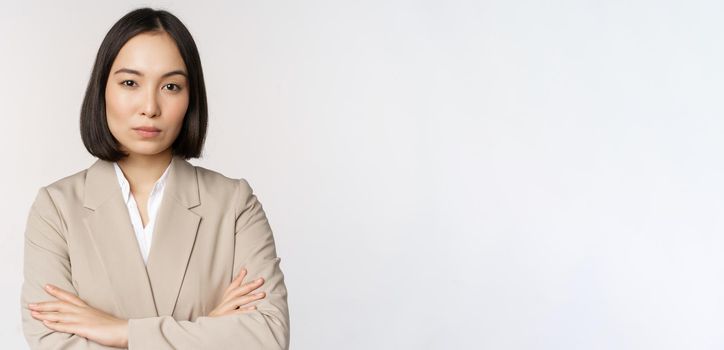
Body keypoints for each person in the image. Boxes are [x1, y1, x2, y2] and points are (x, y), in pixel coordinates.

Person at [19, 7, 289, 349]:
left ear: (191, 99)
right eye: (130, 82)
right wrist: (210, 329)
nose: (150, 106)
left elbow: (267, 337)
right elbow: (51, 342)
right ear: (103, 89)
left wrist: (122, 331)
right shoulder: (56, 209)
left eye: (171, 86)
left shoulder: (234, 203)